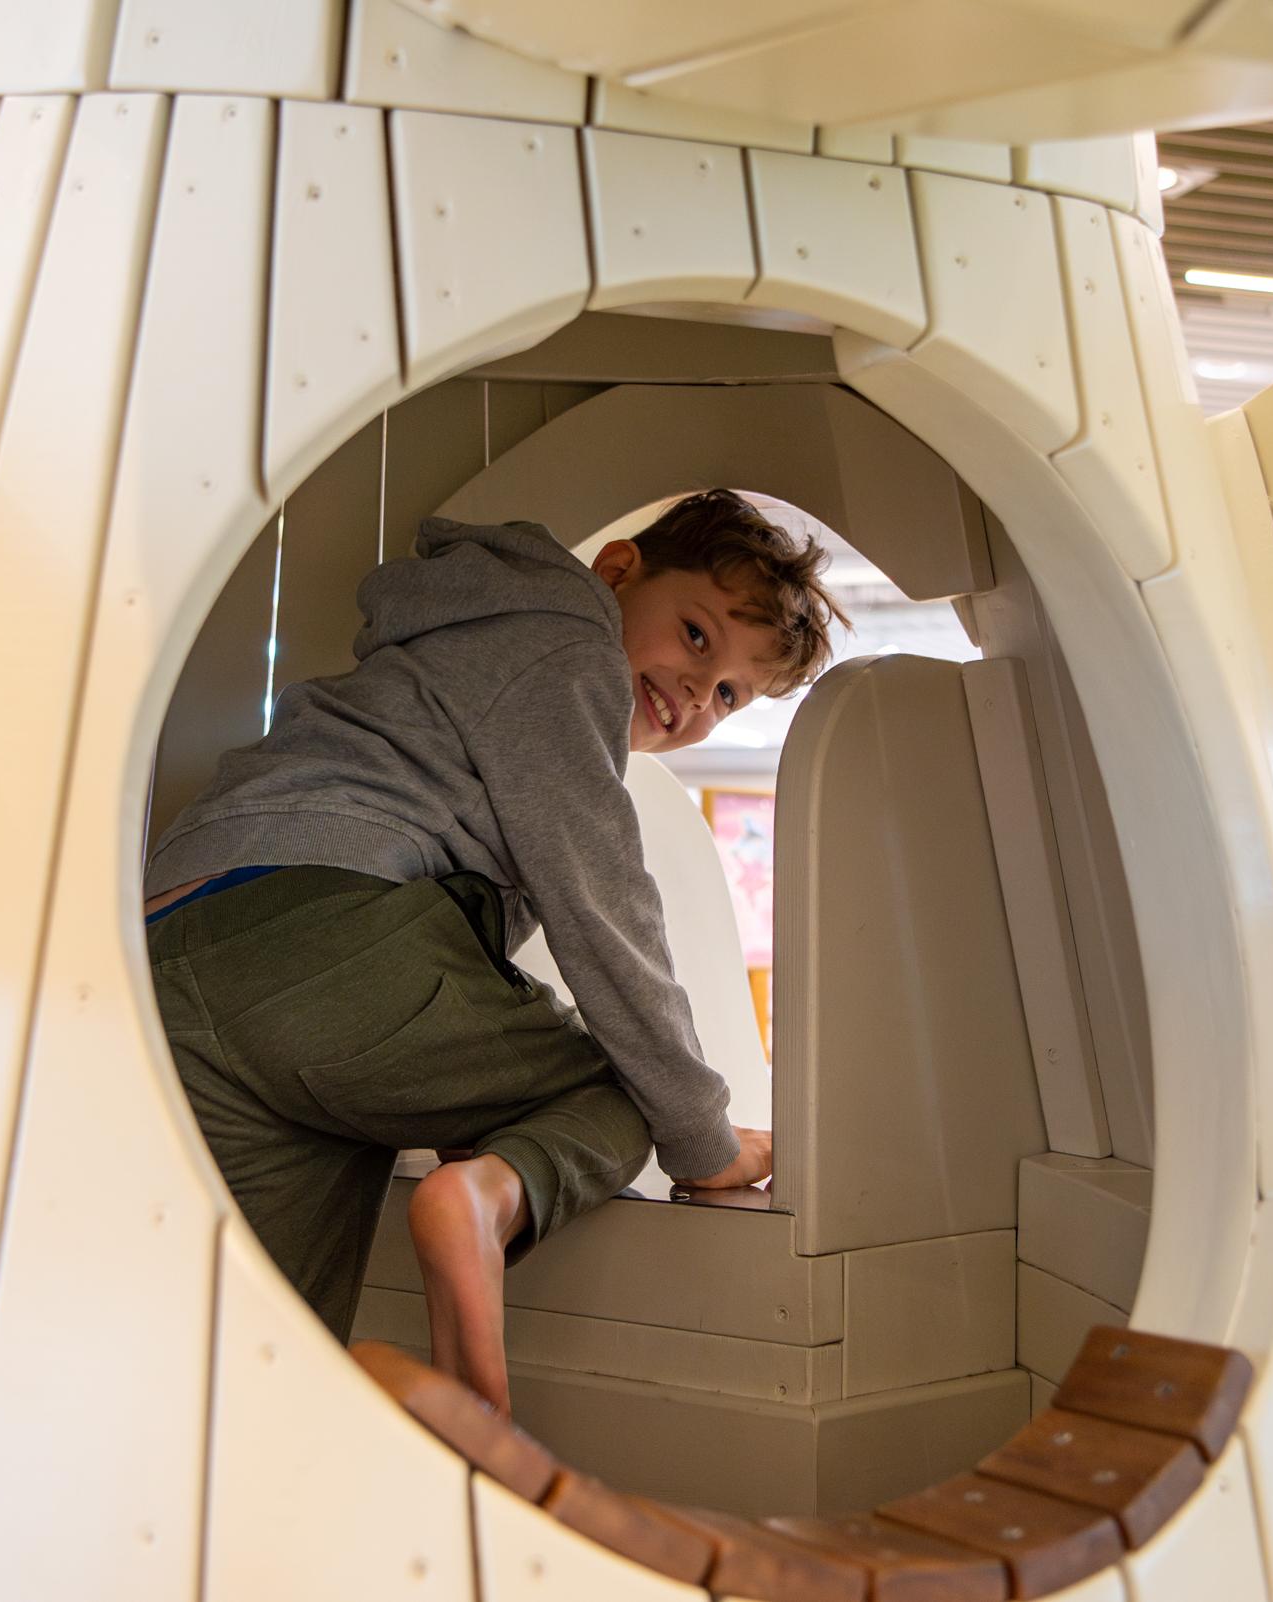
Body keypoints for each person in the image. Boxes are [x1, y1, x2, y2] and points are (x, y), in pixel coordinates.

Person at [142, 489, 841, 1411]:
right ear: (618, 570)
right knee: (625, 1090)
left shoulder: (457, 643)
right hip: (323, 925)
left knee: (261, 1344)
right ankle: (480, 1206)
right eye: (697, 636)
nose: (693, 694)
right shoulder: (566, 646)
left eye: (728, 696)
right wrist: (703, 1141)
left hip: (170, 953)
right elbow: (603, 907)